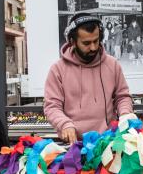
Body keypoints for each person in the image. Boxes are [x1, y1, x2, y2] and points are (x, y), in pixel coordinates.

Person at [44, 11, 134, 143]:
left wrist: (125, 114)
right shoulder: (57, 70)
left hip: (109, 142)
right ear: (72, 42)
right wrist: (64, 124)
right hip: (75, 144)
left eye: (96, 41)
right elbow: (52, 106)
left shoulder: (112, 64)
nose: (93, 47)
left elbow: (122, 97)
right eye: (86, 43)